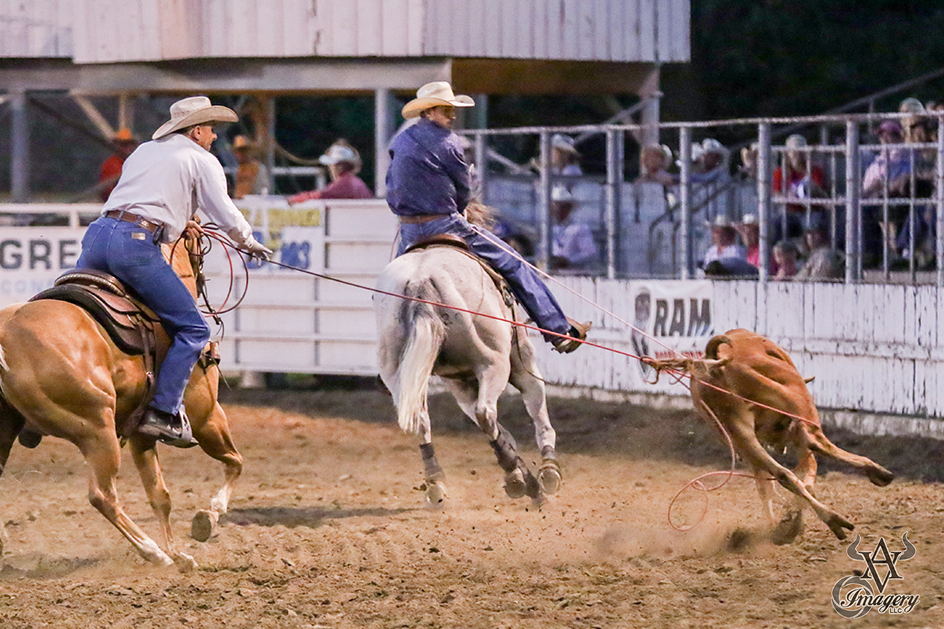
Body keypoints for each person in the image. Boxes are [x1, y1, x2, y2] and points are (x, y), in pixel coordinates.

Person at [76, 97, 273, 447]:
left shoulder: (143, 152)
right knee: (193, 328)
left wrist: (181, 223)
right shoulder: (201, 159)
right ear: (196, 131)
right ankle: (163, 412)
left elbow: (149, 196)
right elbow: (223, 211)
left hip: (97, 237)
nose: (214, 137)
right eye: (211, 129)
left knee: (78, 309)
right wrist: (248, 242)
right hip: (134, 244)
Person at [386, 81, 590, 353]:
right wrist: (458, 210)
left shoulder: (400, 141)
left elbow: (392, 183)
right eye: (446, 110)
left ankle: (395, 351)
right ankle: (558, 330)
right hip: (447, 224)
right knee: (516, 264)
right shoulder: (448, 142)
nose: (452, 115)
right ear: (430, 111)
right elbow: (463, 190)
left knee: (393, 289)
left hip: (409, 230)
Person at [772, 134, 826, 241]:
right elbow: (776, 194)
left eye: (800, 150)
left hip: (811, 210)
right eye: (793, 151)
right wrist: (788, 196)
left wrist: (812, 188)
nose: (797, 154)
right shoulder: (780, 173)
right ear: (788, 153)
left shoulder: (814, 170)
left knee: (811, 225)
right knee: (778, 223)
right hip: (790, 211)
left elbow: (821, 193)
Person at [288, 140, 373, 203]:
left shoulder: (344, 183)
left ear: (339, 166)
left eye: (331, 165)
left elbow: (321, 195)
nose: (330, 168)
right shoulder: (358, 182)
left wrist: (294, 199)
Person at [550, 185, 598, 271]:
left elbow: (590, 254)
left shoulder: (580, 228)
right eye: (555, 205)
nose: (557, 209)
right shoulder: (550, 228)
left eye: (562, 206)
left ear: (569, 207)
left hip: (574, 275)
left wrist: (569, 260)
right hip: (552, 273)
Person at [793, 216, 844, 281]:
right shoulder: (814, 255)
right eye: (809, 234)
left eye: (816, 233)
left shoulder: (827, 255)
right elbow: (798, 280)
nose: (811, 237)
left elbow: (817, 280)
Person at [98, 128, 139, 202]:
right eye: (124, 145)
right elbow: (105, 190)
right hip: (116, 203)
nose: (128, 148)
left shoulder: (137, 162)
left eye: (131, 144)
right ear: (117, 146)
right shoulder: (110, 164)